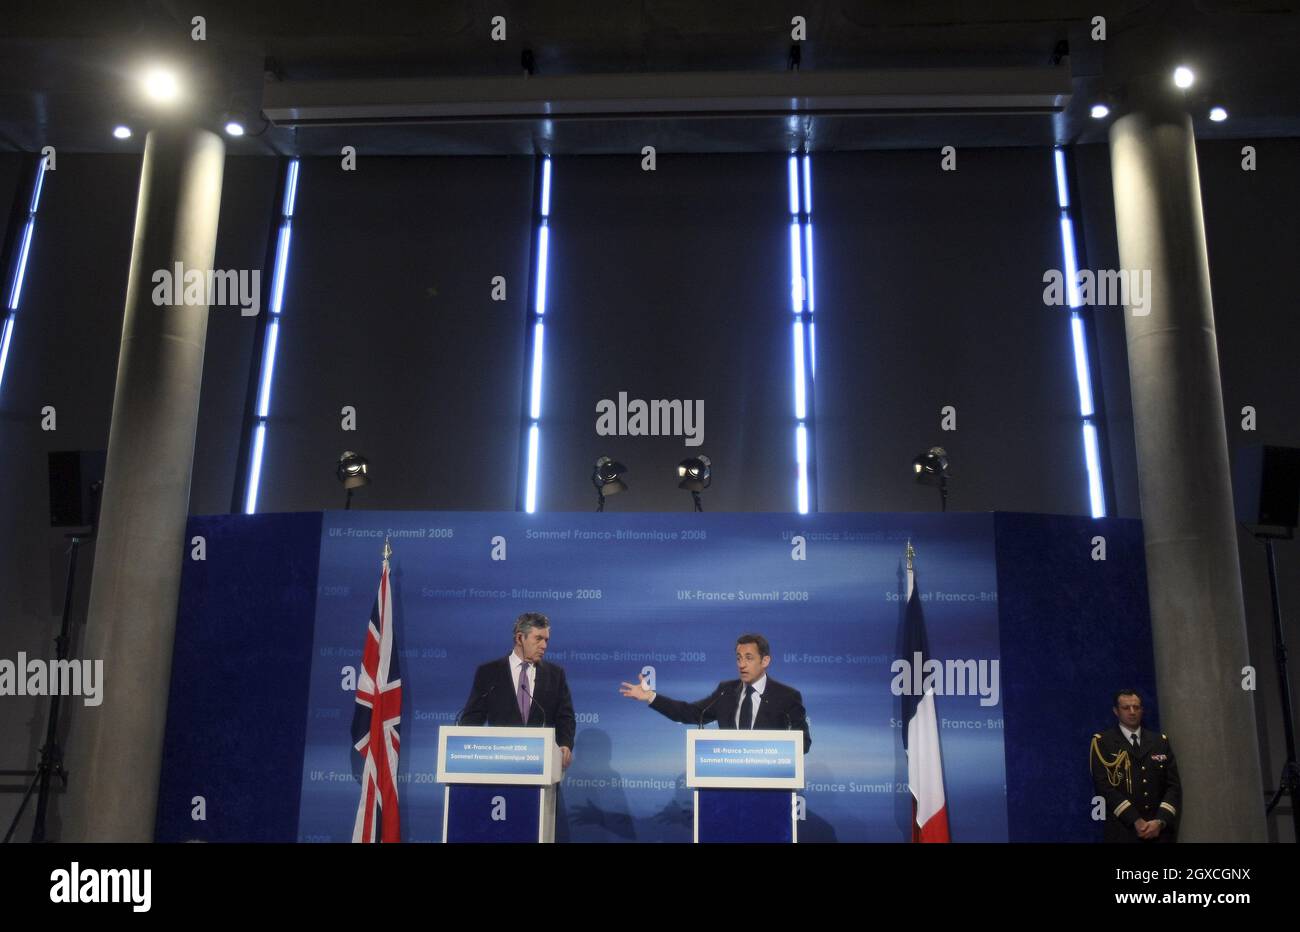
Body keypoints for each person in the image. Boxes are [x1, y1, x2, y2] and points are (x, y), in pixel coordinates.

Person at [620, 633, 811, 753]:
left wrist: (772, 751)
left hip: (770, 785)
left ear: (765, 661)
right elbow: (690, 713)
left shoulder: (786, 697)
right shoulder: (726, 692)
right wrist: (651, 697)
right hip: (727, 781)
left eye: (749, 658)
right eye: (738, 658)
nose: (742, 664)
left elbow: (803, 743)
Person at [460, 612, 576, 769]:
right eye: (538, 639)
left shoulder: (555, 675)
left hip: (541, 764)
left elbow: (565, 717)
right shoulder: (489, 673)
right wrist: (464, 747)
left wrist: (565, 744)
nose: (544, 646)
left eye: (546, 640)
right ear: (520, 638)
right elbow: (472, 718)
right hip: (500, 763)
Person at [1089, 689, 1180, 842]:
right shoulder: (1103, 743)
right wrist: (1135, 820)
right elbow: (1104, 787)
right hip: (1123, 831)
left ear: (1142, 710)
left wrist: (1160, 821)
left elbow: (1173, 786)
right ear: (1116, 711)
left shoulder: (1159, 741)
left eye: (1136, 707)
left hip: (1159, 832)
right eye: (1126, 708)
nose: (1132, 712)